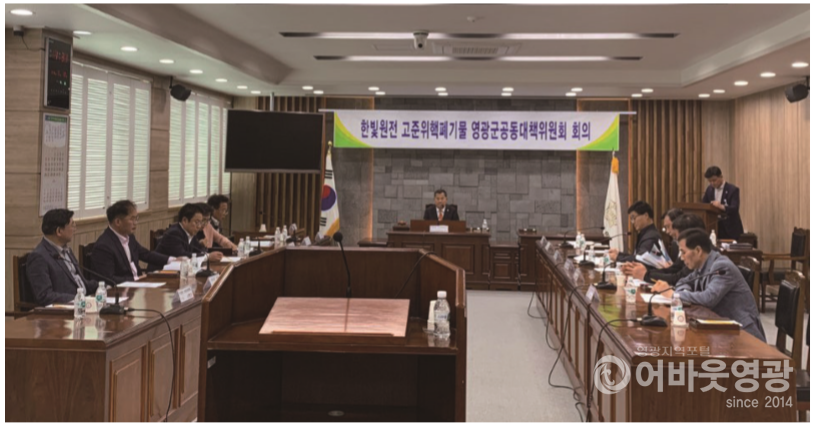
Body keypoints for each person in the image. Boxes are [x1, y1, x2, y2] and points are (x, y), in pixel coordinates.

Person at [652, 228, 765, 342]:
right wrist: (683, 292)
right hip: (722, 329)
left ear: (698, 251)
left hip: (744, 333)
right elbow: (682, 282)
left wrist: (674, 295)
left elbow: (708, 298)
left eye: (684, 252)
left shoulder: (722, 266)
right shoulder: (701, 266)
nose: (681, 257)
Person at [26, 209, 99, 306]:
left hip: (84, 304)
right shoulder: (39, 257)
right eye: (72, 225)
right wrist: (78, 299)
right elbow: (45, 296)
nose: (75, 229)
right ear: (59, 231)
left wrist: (104, 287)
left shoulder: (66, 250)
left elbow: (81, 282)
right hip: (66, 309)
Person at [92, 200, 174, 284]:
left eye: (136, 218)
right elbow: (108, 279)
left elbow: (146, 254)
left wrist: (172, 260)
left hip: (139, 284)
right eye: (132, 219)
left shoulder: (129, 237)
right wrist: (136, 279)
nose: (135, 223)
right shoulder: (104, 246)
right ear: (118, 222)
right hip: (123, 289)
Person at [622, 213, 706, 285]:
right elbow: (672, 270)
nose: (676, 240)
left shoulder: (704, 260)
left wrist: (646, 275)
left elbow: (677, 279)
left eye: (677, 237)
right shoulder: (689, 253)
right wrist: (645, 271)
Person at [150, 203, 223, 270]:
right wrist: (207, 256)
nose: (199, 226)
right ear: (185, 220)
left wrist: (208, 254)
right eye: (197, 222)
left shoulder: (190, 232)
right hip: (158, 273)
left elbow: (198, 250)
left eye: (200, 222)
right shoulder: (174, 233)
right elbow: (183, 255)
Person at [701, 166, 744, 240]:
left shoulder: (732, 190)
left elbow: (735, 208)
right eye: (710, 181)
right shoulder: (709, 189)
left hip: (730, 229)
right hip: (714, 227)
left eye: (714, 180)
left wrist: (721, 206)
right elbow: (703, 204)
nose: (712, 183)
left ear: (721, 176)